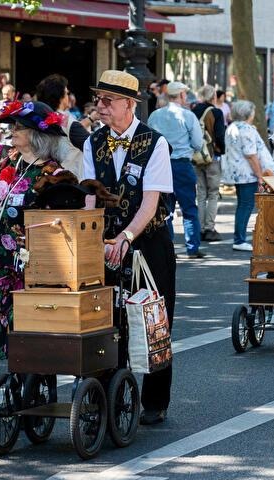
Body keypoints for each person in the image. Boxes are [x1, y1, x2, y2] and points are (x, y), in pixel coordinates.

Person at [82, 70, 176, 425]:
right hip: (106, 242)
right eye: (99, 99)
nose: (100, 106)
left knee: (153, 319)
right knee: (105, 318)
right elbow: (89, 196)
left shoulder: (155, 142)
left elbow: (150, 203)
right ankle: (106, 394)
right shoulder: (93, 142)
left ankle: (155, 401)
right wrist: (89, 238)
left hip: (148, 242)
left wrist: (127, 237)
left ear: (129, 104)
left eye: (108, 100)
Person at [0, 100, 66, 359]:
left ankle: (34, 377)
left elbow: (56, 224)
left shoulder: (52, 173)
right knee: (11, 341)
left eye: (20, 127)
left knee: (29, 339)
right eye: (13, 126)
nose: (13, 130)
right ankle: (18, 379)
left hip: (28, 267)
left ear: (37, 135)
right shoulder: (9, 159)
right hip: (1, 262)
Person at [148, 81, 206, 258]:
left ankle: (168, 248)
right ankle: (192, 248)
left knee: (165, 210)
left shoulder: (155, 115)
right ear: (181, 95)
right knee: (189, 208)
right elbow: (198, 143)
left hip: (160, 165)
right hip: (181, 164)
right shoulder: (188, 116)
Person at [223, 100, 274, 252]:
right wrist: (260, 176)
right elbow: (251, 155)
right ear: (248, 113)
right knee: (245, 206)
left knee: (243, 205)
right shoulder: (246, 129)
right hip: (247, 174)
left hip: (237, 173)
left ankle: (239, 238)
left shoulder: (232, 127)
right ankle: (239, 239)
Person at [191, 84, 226, 242]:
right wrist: (221, 150)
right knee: (213, 193)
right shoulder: (216, 112)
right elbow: (219, 135)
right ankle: (209, 228)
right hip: (212, 156)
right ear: (213, 97)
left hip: (197, 156)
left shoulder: (193, 111)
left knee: (201, 193)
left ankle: (199, 228)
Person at [35, 73, 87, 174]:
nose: (68, 97)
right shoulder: (66, 121)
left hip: (42, 176)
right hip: (67, 177)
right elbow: (91, 147)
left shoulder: (38, 118)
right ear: (60, 97)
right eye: (67, 93)